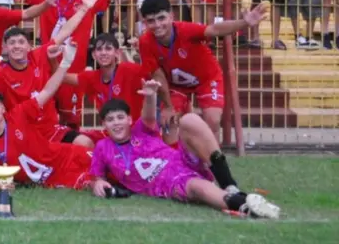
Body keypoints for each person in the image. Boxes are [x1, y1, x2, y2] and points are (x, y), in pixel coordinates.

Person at [90, 81, 280, 219]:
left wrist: (150, 96)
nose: (116, 123)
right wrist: (98, 183)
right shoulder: (102, 147)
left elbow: (148, 115)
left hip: (181, 159)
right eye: (110, 120)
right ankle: (244, 204)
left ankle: (229, 184)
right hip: (167, 182)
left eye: (120, 117)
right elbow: (96, 177)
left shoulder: (140, 130)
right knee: (198, 187)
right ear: (104, 124)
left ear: (129, 119)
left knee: (189, 119)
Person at [138, 0, 268, 140]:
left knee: (213, 120)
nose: (157, 25)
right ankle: (174, 154)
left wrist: (244, 23)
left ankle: (212, 154)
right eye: (151, 21)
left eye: (161, 18)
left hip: (207, 78)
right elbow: (158, 75)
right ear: (145, 23)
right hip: (176, 85)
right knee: (169, 123)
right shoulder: (145, 41)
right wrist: (168, 107)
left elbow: (214, 29)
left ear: (171, 16)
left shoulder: (185, 30)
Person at [0, 0, 100, 146]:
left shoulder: (39, 56)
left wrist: (84, 9)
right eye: (11, 43)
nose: (16, 46)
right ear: (5, 48)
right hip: (21, 133)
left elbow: (65, 32)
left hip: (50, 130)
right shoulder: (0, 73)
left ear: (29, 46)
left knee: (85, 143)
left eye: (21, 42)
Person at [0, 44, 93, 190]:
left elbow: (48, 91)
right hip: (50, 179)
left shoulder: (18, 114)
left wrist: (66, 61)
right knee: (91, 184)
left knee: (106, 171)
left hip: (65, 159)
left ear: (3, 108)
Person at [61, 33, 150, 139]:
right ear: (93, 55)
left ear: (117, 53)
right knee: (79, 140)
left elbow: (152, 72)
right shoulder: (92, 77)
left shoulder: (129, 70)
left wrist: (143, 51)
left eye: (108, 48)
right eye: (99, 49)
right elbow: (61, 78)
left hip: (136, 133)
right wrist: (63, 58)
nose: (103, 53)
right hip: (111, 134)